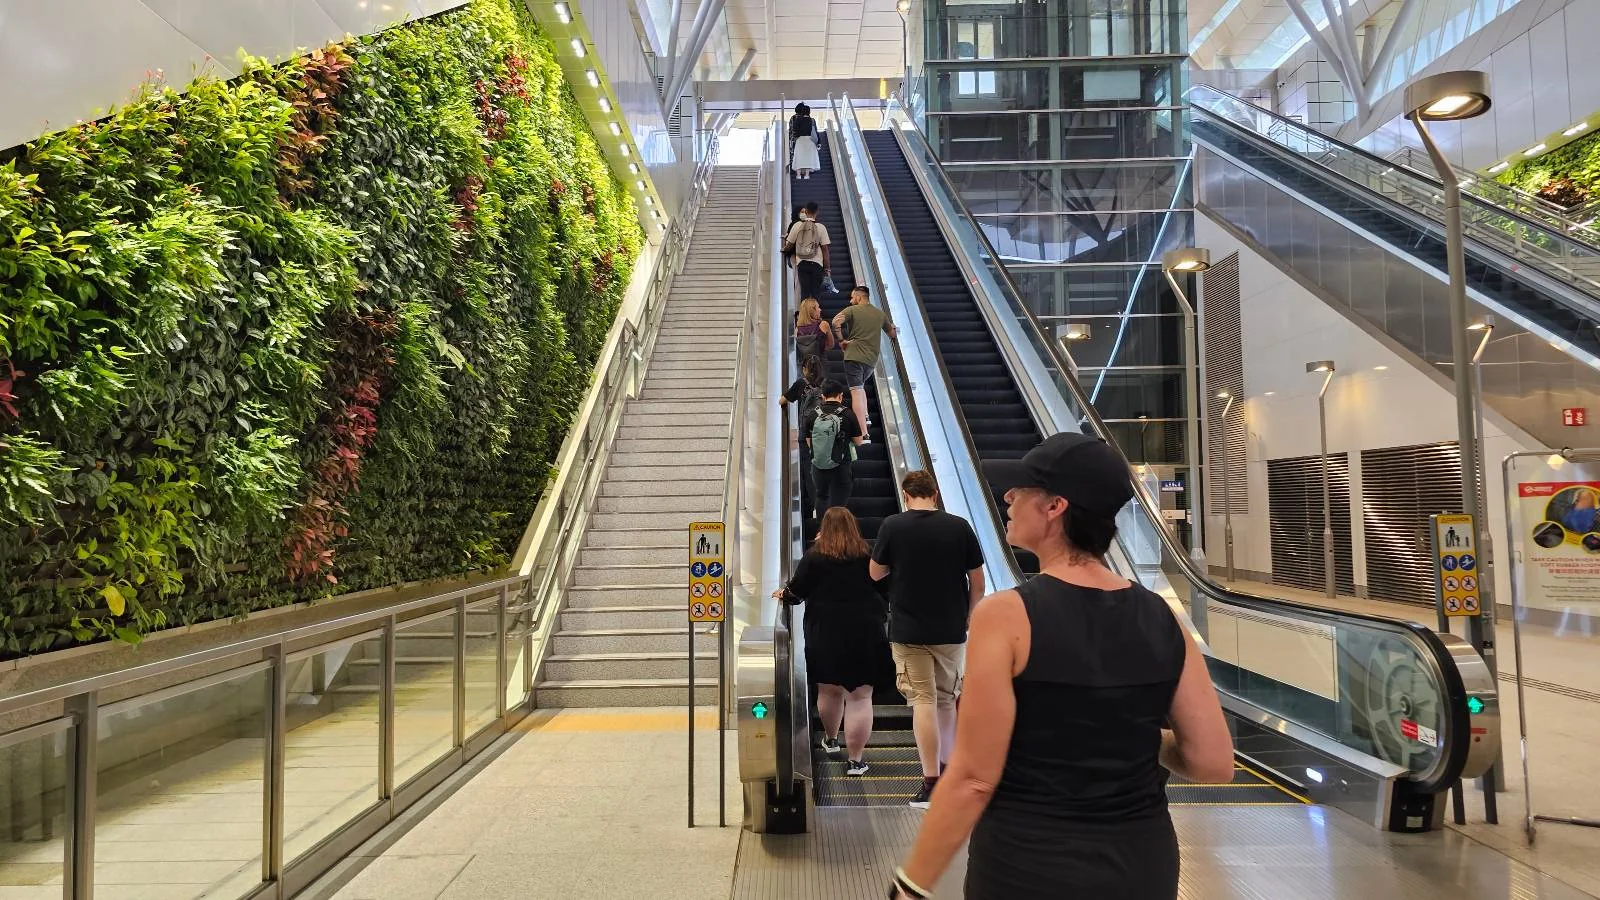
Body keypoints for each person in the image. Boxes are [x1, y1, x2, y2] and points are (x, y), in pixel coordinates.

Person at [885, 433, 1234, 900]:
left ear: (1055, 507)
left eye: (1021, 489)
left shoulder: (1005, 616)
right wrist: (1138, 735)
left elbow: (972, 779)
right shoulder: (1163, 618)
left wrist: (910, 887)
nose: (1007, 497)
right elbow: (1212, 763)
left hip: (1028, 867)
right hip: (1142, 866)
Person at [869, 470, 984, 808]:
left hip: (908, 629)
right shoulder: (959, 526)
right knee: (947, 700)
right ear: (935, 492)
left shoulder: (893, 526)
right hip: (950, 629)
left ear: (906, 495)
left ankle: (930, 782)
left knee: (923, 700)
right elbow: (977, 581)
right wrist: (970, 615)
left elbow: (875, 573)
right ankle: (950, 776)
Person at [774, 507, 892, 775]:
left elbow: (796, 592)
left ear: (824, 528)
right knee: (861, 697)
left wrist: (783, 594)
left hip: (824, 631)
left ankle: (830, 739)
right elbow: (885, 586)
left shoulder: (815, 556)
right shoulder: (867, 554)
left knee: (829, 690)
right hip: (865, 631)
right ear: (854, 527)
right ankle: (856, 760)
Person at [831, 284, 896, 440]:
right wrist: (893, 327)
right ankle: (866, 416)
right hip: (871, 361)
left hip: (854, 356)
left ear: (859, 297)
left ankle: (863, 433)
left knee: (856, 393)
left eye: (853, 297)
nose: (851, 299)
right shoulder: (880, 314)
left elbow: (835, 322)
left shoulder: (851, 310)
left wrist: (841, 340)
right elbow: (892, 334)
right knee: (860, 388)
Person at [802, 380, 862, 518]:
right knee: (839, 504)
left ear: (823, 396)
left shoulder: (813, 414)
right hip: (841, 464)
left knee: (822, 496)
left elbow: (808, 441)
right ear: (840, 396)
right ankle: (836, 533)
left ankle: (822, 531)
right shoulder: (848, 414)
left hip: (818, 465)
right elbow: (858, 441)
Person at [783, 202, 831, 302]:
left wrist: (784, 249)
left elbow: (790, 244)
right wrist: (827, 269)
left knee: (804, 294)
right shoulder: (821, 227)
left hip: (802, 264)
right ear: (817, 212)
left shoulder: (797, 225)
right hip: (817, 265)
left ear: (806, 211)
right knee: (816, 294)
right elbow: (825, 250)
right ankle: (815, 316)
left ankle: (804, 316)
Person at [794, 297, 834, 368]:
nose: (820, 310)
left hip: (805, 366)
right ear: (813, 310)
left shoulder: (797, 330)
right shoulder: (823, 325)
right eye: (818, 307)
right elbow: (831, 345)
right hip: (821, 363)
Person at [790, 102, 821, 179]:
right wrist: (819, 142)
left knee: (799, 157)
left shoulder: (797, 120)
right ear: (809, 112)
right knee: (808, 158)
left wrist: (796, 138)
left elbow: (795, 131)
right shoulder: (812, 120)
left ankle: (798, 175)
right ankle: (807, 175)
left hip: (800, 140)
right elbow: (815, 132)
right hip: (810, 140)